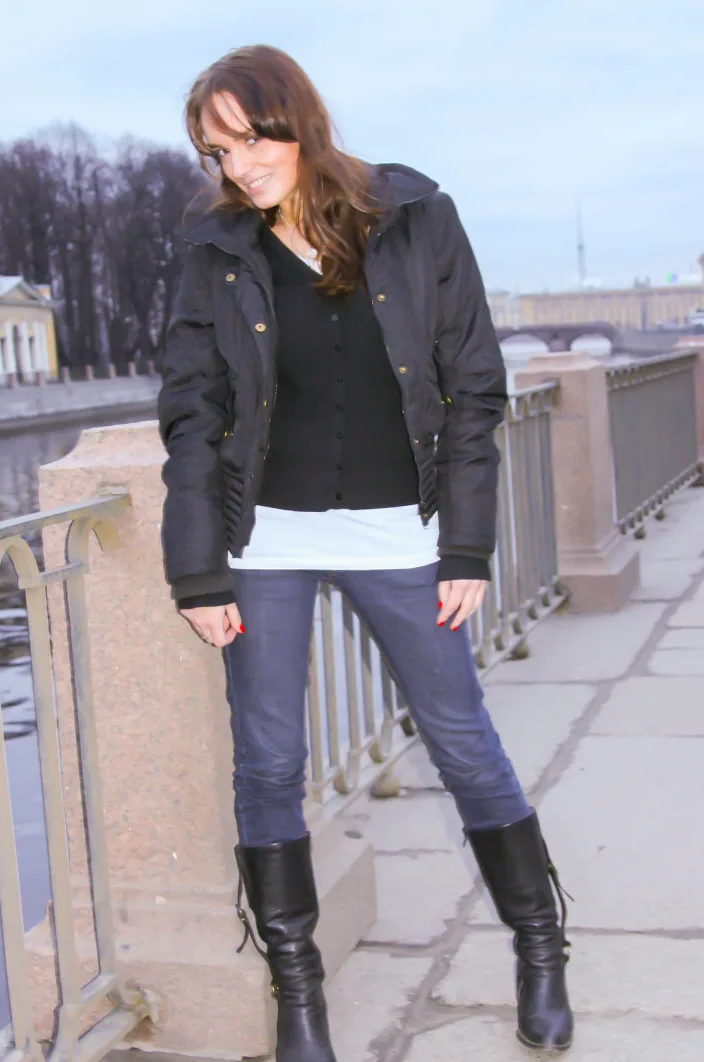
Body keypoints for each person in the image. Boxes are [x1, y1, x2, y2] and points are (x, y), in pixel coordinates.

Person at [157, 44, 573, 1061]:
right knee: (268, 762)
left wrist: (467, 546)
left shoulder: (417, 219)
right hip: (266, 542)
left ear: (296, 119)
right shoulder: (215, 250)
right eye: (218, 151)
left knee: (461, 739)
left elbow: (474, 385)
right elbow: (192, 411)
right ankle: (298, 994)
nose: (239, 166)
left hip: (403, 533)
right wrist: (198, 569)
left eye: (250, 139)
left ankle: (540, 945)